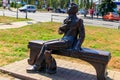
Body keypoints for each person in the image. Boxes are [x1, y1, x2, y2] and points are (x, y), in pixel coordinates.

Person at [27, 3, 85, 74]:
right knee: (44, 44)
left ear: (73, 10)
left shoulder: (78, 21)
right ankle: (49, 64)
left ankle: (37, 66)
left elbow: (82, 36)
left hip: (69, 42)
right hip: (63, 39)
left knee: (46, 46)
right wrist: (61, 28)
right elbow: (60, 32)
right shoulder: (66, 20)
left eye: (69, 7)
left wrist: (77, 47)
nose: (67, 8)